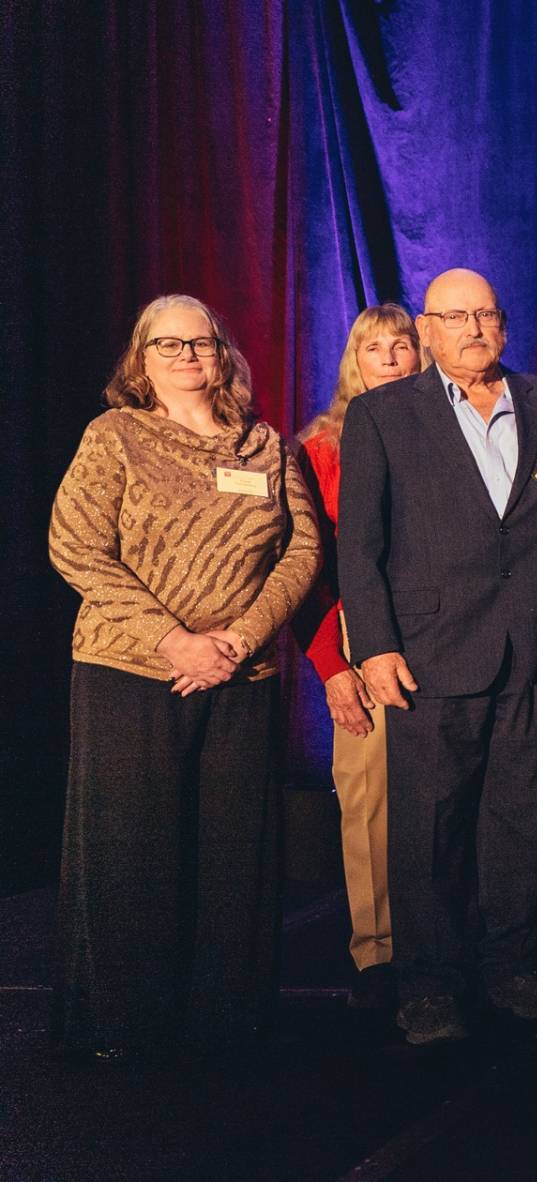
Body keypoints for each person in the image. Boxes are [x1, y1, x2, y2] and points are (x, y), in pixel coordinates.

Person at [49, 294, 322, 1057]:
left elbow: (302, 551)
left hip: (240, 675)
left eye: (200, 343)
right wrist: (174, 641)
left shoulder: (265, 446)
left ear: (223, 354)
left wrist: (238, 639)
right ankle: (125, 1025)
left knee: (232, 855)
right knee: (132, 850)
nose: (187, 356)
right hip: (130, 671)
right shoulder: (116, 436)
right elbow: (75, 546)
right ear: (141, 359)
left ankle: (224, 1021)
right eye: (167, 345)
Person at [337, 268, 537, 1046]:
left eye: (486, 314)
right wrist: (375, 647)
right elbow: (359, 545)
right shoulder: (381, 414)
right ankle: (429, 983)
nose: (473, 328)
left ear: (504, 324)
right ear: (427, 329)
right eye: (455, 316)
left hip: (530, 647)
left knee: (518, 817)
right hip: (429, 649)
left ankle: (512, 965)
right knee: (430, 825)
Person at [292, 303, 423, 1012]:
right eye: (376, 348)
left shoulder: (452, 431)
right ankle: (378, 950)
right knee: (368, 792)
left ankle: (450, 942)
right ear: (354, 361)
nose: (392, 358)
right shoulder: (321, 449)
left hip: (443, 631)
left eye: (403, 345)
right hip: (355, 632)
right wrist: (332, 666)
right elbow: (304, 568)